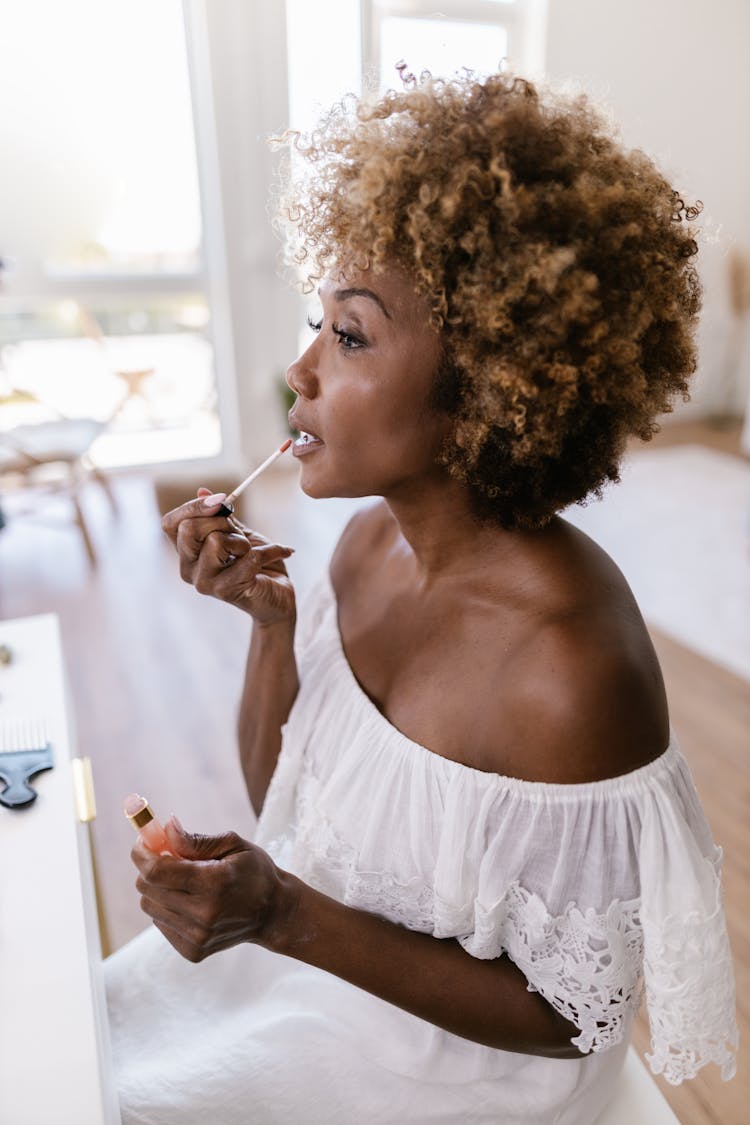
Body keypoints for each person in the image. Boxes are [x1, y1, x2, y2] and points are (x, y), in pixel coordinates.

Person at [105, 72, 737, 1124]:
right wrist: (272, 629)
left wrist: (284, 917)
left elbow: (574, 1018)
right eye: (318, 323)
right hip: (320, 973)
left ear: (488, 389)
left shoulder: (569, 669)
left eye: (350, 336)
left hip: (465, 1070)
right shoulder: (360, 550)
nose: (299, 370)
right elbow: (287, 808)